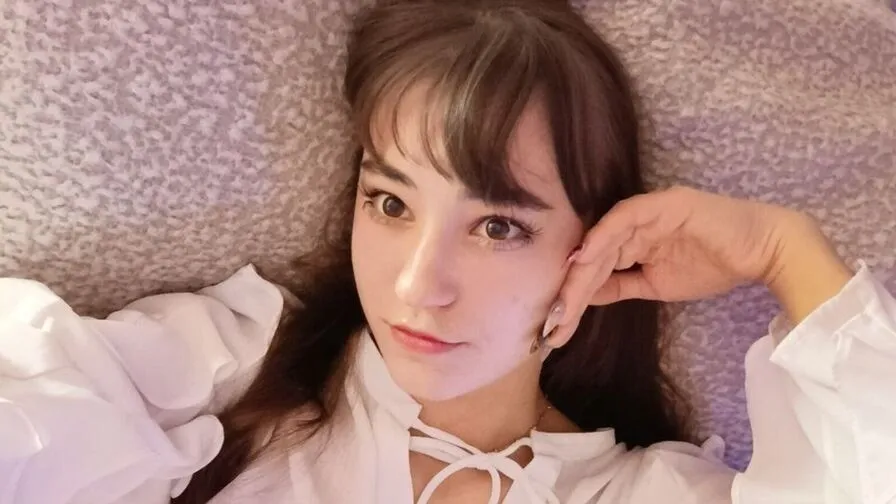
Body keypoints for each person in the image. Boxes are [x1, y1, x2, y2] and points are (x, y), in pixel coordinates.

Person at [1, 0, 894, 503]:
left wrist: (785, 253)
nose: (416, 285)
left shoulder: (646, 493)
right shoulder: (233, 370)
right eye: (390, 202)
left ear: (598, 240)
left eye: (499, 225)